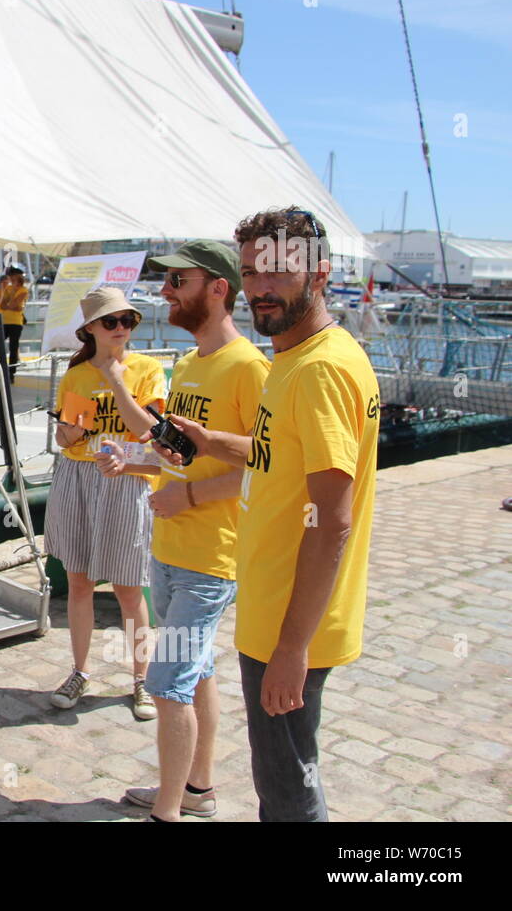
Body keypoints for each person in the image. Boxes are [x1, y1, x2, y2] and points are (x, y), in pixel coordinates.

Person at [150, 208, 380, 822]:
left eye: (279, 271)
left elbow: (333, 518)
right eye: (252, 271)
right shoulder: (292, 358)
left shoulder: (319, 368)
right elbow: (276, 456)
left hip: (287, 621)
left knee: (286, 793)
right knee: (281, 778)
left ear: (320, 275)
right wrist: (209, 439)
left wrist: (292, 649)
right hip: (269, 610)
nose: (261, 287)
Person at [93, 242, 270, 822]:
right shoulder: (191, 364)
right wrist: (139, 464)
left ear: (217, 288)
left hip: (210, 556)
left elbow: (263, 467)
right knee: (197, 675)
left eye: (178, 281)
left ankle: (166, 813)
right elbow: (180, 454)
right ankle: (196, 789)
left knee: (167, 685)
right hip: (167, 549)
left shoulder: (249, 368)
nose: (166, 292)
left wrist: (187, 495)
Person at [44, 286, 165, 720]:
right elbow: (67, 437)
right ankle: (80, 670)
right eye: (111, 322)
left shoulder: (148, 369)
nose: (121, 329)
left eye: (128, 321)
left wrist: (116, 382)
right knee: (78, 582)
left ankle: (142, 679)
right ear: (90, 329)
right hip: (79, 478)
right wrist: (71, 431)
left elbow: (149, 434)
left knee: (130, 589)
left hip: (127, 481)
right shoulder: (77, 376)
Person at [0, 267, 29, 381]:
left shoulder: (23, 290)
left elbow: (16, 304)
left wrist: (11, 302)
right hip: (4, 321)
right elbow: (3, 305)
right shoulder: (6, 289)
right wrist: (11, 303)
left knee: (14, 347)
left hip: (16, 323)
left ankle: (11, 373)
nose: (12, 278)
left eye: (14, 276)